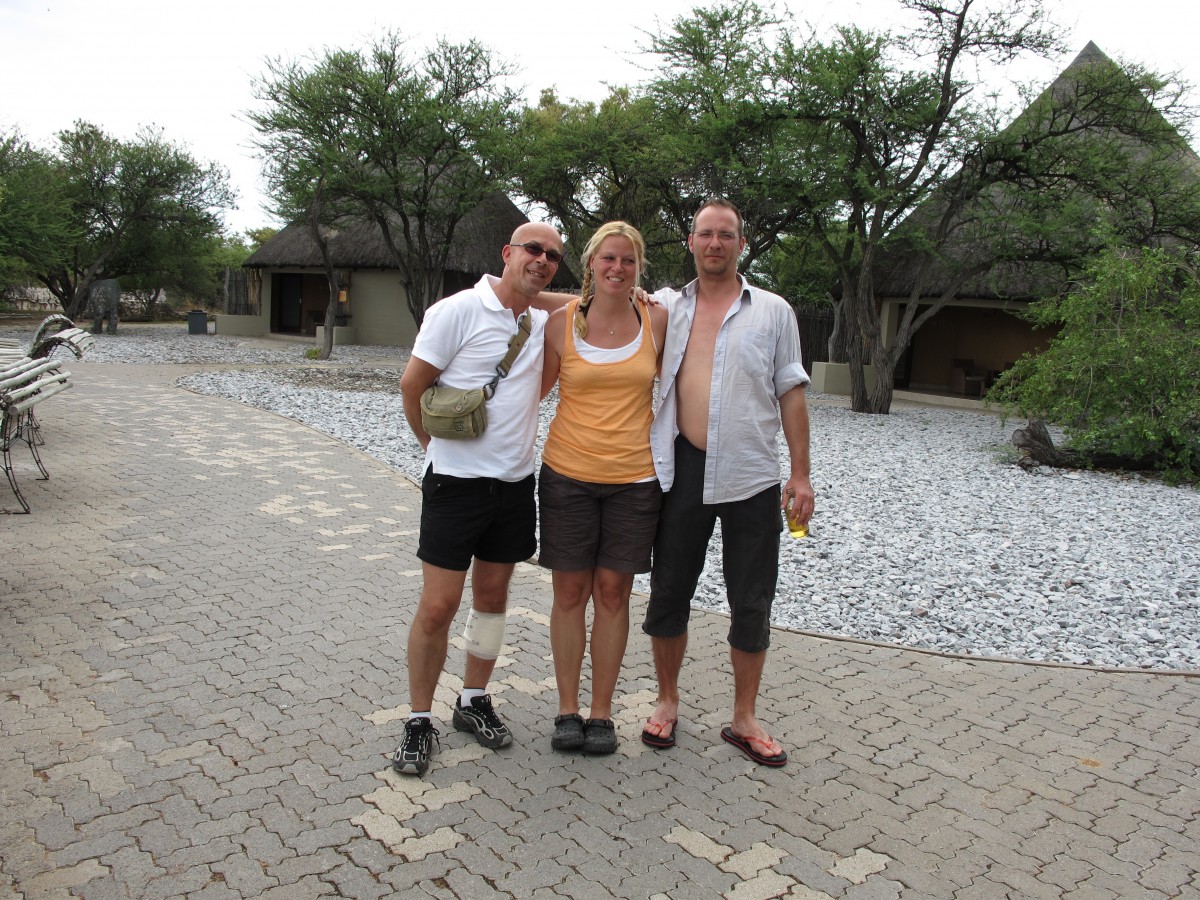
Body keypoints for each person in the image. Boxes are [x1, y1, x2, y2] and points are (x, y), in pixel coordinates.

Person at [640, 198, 814, 767]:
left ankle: (744, 718)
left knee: (752, 598)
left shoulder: (774, 311)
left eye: (726, 234)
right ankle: (667, 701)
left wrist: (801, 474)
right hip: (683, 469)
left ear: (742, 243)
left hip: (752, 474)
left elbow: (791, 392)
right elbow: (596, 302)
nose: (715, 243)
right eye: (705, 233)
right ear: (690, 241)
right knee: (670, 590)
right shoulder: (667, 306)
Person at [393, 222, 565, 776]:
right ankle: (419, 718)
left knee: (492, 598)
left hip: (513, 486)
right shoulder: (456, 311)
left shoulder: (540, 321)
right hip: (455, 485)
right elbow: (412, 386)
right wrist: (433, 449)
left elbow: (582, 304)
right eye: (533, 249)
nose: (542, 260)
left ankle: (472, 699)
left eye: (553, 255)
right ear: (506, 252)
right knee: (438, 605)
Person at [538, 222, 668, 755]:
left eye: (628, 261)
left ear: (639, 269)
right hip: (566, 475)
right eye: (608, 258)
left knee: (613, 594)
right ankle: (568, 709)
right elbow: (532, 393)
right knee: (570, 593)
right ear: (591, 262)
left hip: (634, 482)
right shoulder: (561, 323)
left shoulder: (658, 319)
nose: (618, 268)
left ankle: (601, 713)